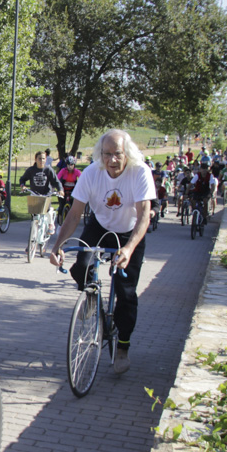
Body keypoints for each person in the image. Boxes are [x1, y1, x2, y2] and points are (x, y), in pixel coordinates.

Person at [48, 129, 155, 375]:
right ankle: (92, 301)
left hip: (130, 231)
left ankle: (123, 349)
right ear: (100, 154)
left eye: (117, 154)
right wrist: (57, 247)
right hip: (100, 225)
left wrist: (128, 248)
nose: (112, 160)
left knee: (126, 292)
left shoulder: (139, 172)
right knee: (81, 266)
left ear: (126, 153)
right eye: (107, 154)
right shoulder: (91, 174)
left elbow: (143, 217)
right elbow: (74, 215)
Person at [19, 151, 63, 236]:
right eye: (39, 158)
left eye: (43, 158)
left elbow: (56, 181)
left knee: (48, 210)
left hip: (46, 194)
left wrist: (60, 189)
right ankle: (32, 242)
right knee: (34, 216)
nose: (41, 160)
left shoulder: (48, 170)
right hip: (34, 194)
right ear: (35, 159)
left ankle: (51, 224)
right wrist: (23, 185)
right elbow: (22, 179)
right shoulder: (31, 170)